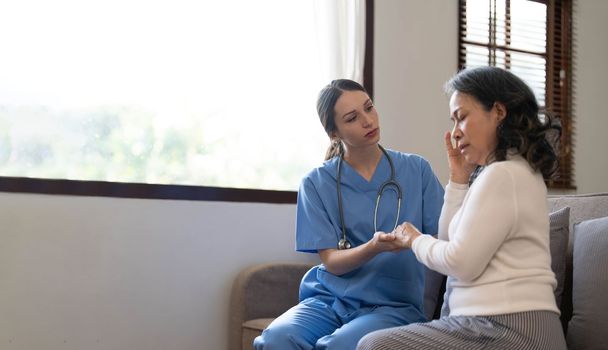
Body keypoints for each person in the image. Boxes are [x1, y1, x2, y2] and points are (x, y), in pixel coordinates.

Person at [357, 66, 566, 350]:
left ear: (498, 112)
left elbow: (460, 263)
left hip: (509, 327)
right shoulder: (503, 173)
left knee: (374, 346)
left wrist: (415, 240)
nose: (455, 133)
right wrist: (458, 179)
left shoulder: (503, 174)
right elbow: (448, 242)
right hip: (495, 325)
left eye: (462, 118)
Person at [253, 79, 445, 349]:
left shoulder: (417, 170)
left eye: (369, 108)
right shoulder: (316, 183)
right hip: (328, 300)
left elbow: (444, 237)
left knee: (340, 346)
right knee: (276, 339)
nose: (368, 121)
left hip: (393, 305)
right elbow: (331, 261)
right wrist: (373, 247)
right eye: (352, 118)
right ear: (334, 133)